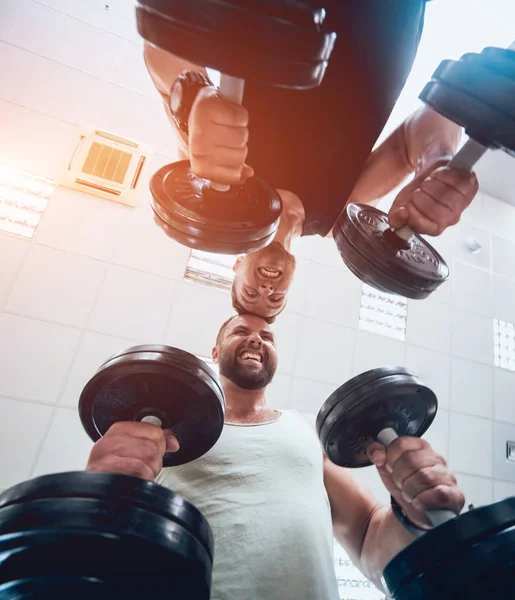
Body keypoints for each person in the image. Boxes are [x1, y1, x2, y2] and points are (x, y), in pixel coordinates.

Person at [86, 313, 464, 600]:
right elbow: (105, 555)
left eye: (267, 336)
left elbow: (370, 541)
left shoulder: (304, 430)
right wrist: (102, 495)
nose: (256, 338)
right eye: (241, 332)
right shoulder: (167, 434)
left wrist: (412, 512)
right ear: (215, 353)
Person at [143, 1, 479, 321]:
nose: (266, 289)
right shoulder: (343, 216)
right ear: (292, 285)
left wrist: (193, 95)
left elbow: (160, 47)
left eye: (250, 293)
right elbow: (410, 143)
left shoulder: (215, 174)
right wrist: (438, 161)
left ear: (236, 266)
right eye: (276, 298)